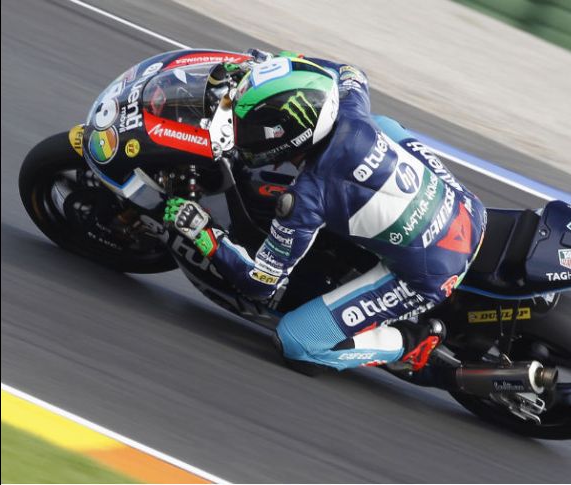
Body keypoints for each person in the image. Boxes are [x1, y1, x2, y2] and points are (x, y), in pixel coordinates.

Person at [165, 50, 487, 374]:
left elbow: (261, 283)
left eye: (249, 128)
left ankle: (409, 343)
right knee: (382, 125)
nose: (239, 131)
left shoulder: (306, 197)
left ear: (289, 136)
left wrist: (202, 232)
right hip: (464, 208)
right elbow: (351, 72)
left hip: (433, 270)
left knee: (296, 341)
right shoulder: (349, 107)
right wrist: (280, 64)